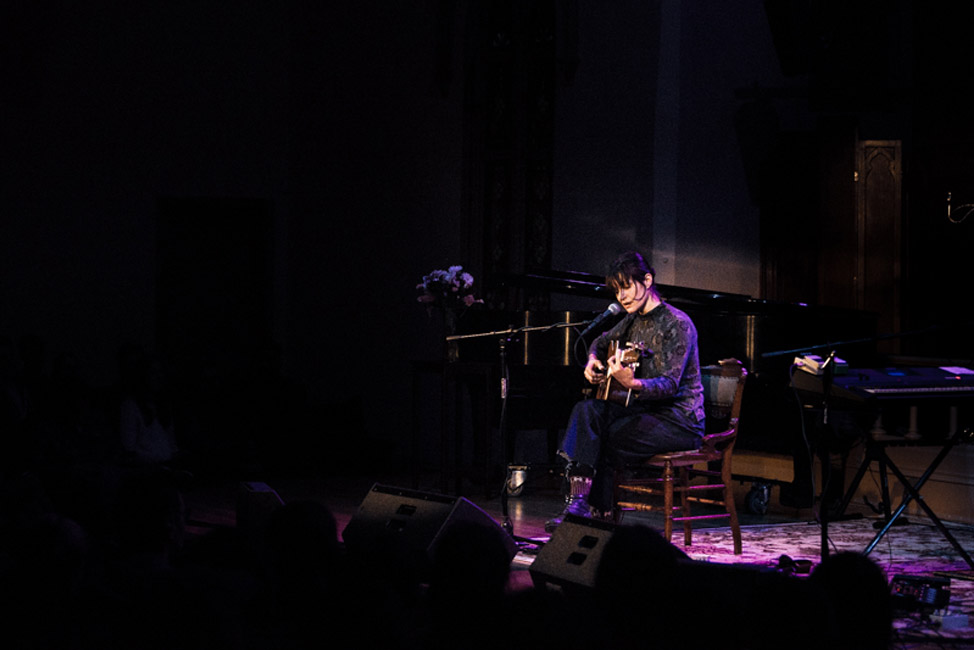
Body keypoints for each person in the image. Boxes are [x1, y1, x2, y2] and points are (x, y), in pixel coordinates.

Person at [546, 250, 705, 531]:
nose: (622, 297)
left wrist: (631, 383)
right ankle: (577, 503)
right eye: (617, 290)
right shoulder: (631, 321)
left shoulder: (678, 324)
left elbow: (670, 385)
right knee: (586, 411)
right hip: (644, 412)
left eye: (627, 287)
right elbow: (599, 340)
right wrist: (592, 360)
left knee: (608, 438)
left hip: (679, 419)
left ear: (647, 280)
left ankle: (594, 517)